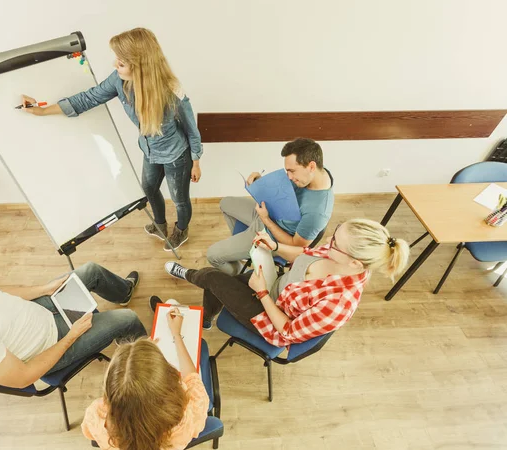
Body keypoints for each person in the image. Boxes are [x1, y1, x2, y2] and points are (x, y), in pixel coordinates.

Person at [21, 27, 203, 251]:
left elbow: (191, 129)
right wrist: (43, 110)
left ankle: (182, 230)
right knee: (148, 187)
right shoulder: (119, 80)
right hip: (149, 152)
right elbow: (89, 98)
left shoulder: (171, 90)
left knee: (180, 199)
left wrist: (196, 161)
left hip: (177, 157)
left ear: (140, 65)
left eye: (121, 62)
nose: (115, 65)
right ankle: (160, 224)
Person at [0, 247, 146, 387]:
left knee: (91, 271)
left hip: (41, 310)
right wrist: (71, 336)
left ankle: (123, 291)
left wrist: (43, 290)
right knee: (127, 319)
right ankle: (151, 366)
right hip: (52, 345)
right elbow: (24, 377)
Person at [158, 219, 409, 341]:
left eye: (335, 243)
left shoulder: (338, 304)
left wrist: (263, 294)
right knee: (219, 282)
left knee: (214, 277)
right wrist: (275, 246)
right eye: (334, 235)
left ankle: (189, 275)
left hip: (271, 316)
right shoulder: (338, 254)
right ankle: (207, 318)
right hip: (275, 284)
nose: (328, 242)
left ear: (354, 263)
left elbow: (288, 331)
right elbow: (305, 254)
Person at [81, 306, 209, 450]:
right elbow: (193, 378)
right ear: (170, 379)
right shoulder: (187, 416)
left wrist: (143, 357)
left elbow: (89, 433)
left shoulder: (96, 416)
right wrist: (176, 335)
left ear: (110, 388)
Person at [207, 138, 334, 275]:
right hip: (271, 213)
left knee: (213, 256)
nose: (289, 177)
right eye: (287, 172)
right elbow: (285, 189)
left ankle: (241, 276)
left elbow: (295, 245)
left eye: (292, 171)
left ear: (311, 166)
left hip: (269, 234)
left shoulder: (317, 213)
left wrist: (266, 219)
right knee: (225, 203)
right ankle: (243, 252)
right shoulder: (319, 173)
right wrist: (260, 182)